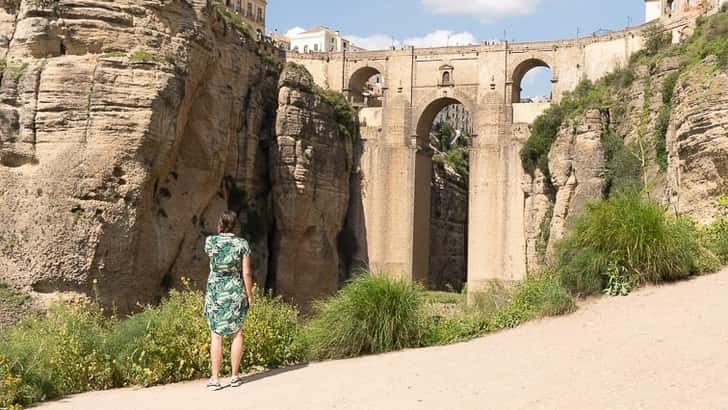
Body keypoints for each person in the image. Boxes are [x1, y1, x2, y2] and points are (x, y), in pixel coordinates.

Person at [203, 210, 254, 391]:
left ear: (220, 224)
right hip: (234, 289)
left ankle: (215, 379)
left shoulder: (210, 242)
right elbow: (246, 273)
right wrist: (249, 295)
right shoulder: (242, 244)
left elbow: (215, 261)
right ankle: (234, 377)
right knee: (237, 333)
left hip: (215, 289)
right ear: (235, 225)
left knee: (216, 334)